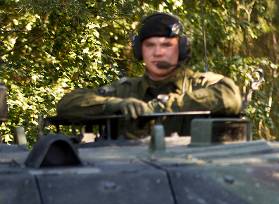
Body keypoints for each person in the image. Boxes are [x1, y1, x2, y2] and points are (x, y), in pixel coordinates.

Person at [57, 12, 242, 136]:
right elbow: (67, 105)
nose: (158, 52)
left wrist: (163, 106)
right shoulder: (125, 90)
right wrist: (114, 104)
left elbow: (230, 96)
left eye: (167, 45)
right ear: (140, 51)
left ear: (182, 49)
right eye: (150, 45)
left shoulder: (200, 84)